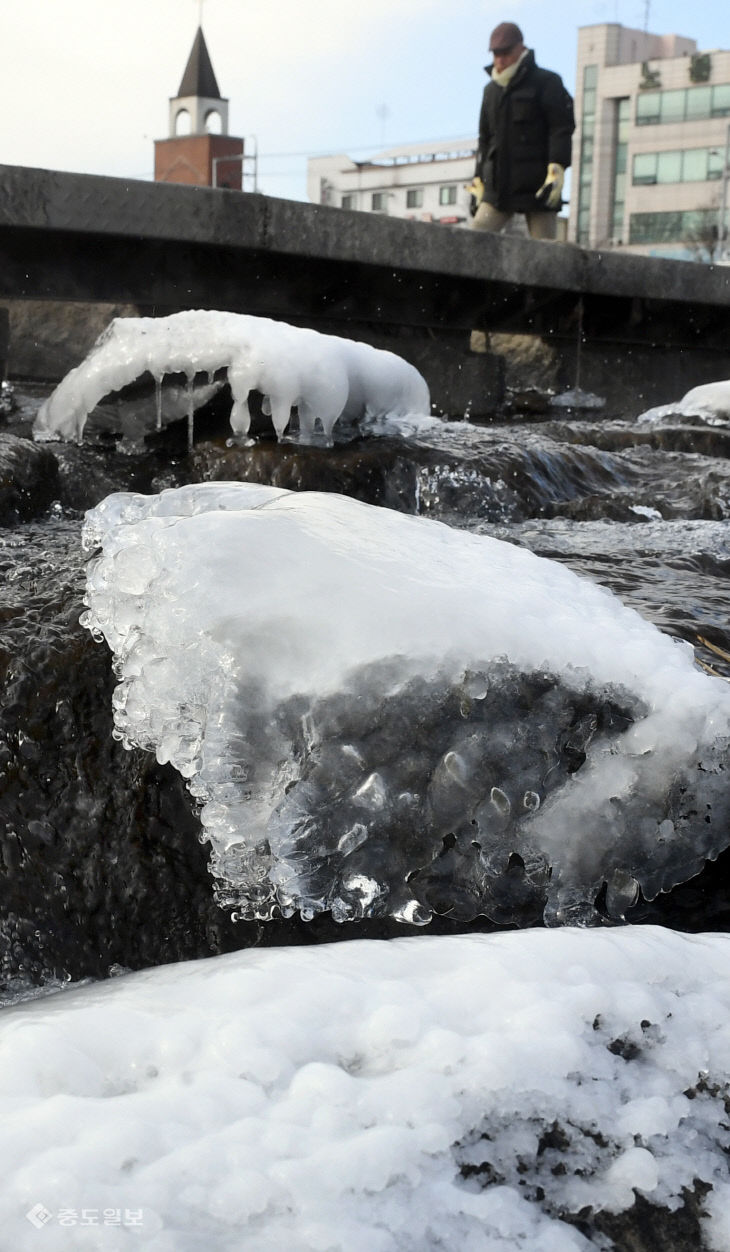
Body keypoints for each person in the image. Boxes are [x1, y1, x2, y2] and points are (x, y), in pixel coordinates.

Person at [470, 21, 575, 242]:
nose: (500, 59)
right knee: (474, 239)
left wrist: (557, 168)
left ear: (521, 48)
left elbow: (561, 128)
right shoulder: (490, 91)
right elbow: (485, 139)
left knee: (545, 249)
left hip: (538, 185)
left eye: (506, 53)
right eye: (496, 54)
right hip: (497, 187)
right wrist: (478, 179)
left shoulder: (547, 82)